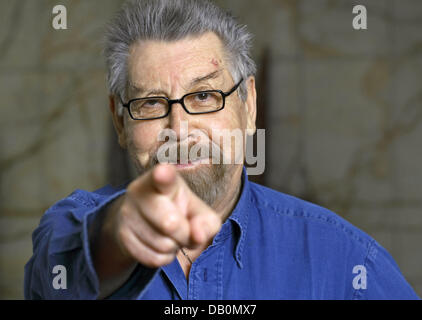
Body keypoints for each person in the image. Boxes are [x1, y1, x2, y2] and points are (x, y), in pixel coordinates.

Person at [24, 0, 419, 300]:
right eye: (150, 104)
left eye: (204, 96)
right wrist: (119, 235)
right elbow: (67, 273)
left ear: (248, 105)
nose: (178, 130)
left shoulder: (348, 261)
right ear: (119, 122)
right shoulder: (66, 226)